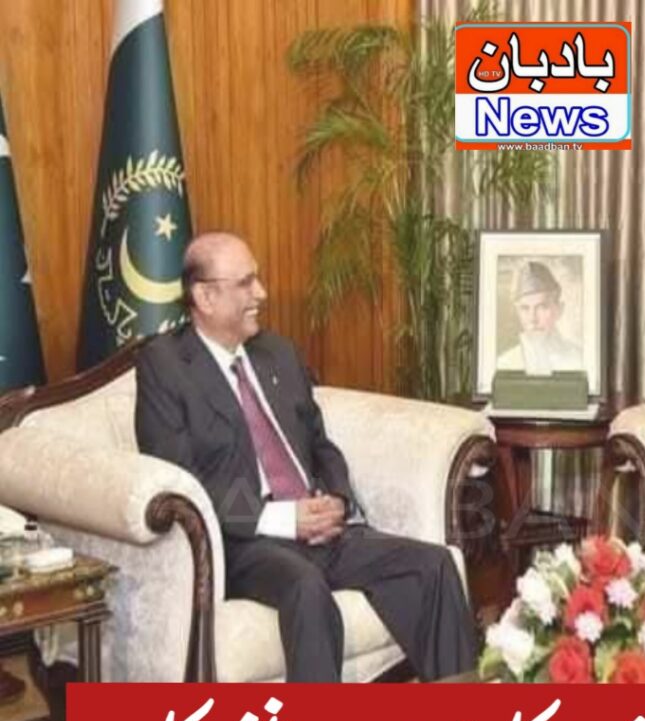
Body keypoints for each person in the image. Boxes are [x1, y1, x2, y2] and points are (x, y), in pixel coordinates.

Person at [134, 231, 477, 682]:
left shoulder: (276, 353)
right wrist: (282, 519)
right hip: (244, 543)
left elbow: (319, 443)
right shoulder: (166, 366)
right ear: (205, 296)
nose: (262, 293)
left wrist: (336, 498)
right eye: (246, 283)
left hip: (323, 531)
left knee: (434, 566)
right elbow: (181, 478)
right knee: (307, 589)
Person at [496, 260, 584, 375]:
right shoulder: (504, 363)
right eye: (525, 308)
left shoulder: (579, 359)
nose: (532, 319)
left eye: (542, 307)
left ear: (559, 309)